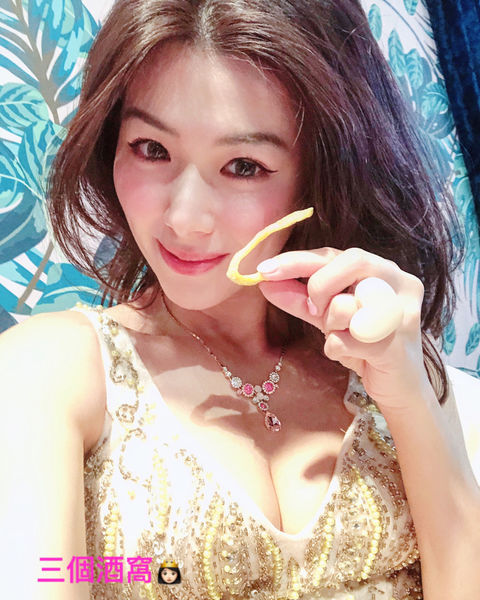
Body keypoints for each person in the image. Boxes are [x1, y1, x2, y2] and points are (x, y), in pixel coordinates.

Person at [1, 1, 479, 599]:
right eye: (152, 148)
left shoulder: (389, 352)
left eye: (243, 166)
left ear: (318, 172)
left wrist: (410, 391)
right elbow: (45, 577)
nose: (185, 218)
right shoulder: (48, 369)